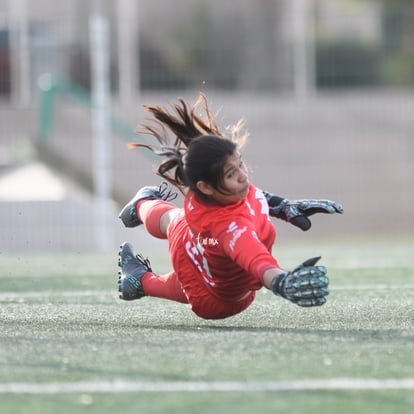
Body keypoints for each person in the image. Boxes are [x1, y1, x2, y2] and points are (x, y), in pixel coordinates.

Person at [117, 93, 343, 320]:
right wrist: (282, 283)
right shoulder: (230, 229)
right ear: (205, 186)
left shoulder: (208, 196)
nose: (243, 176)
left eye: (240, 163)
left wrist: (283, 206)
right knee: (180, 236)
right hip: (216, 301)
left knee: (175, 220)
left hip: (199, 246)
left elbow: (254, 199)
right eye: (231, 173)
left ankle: (141, 206)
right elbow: (256, 261)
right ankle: (141, 281)